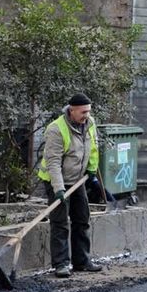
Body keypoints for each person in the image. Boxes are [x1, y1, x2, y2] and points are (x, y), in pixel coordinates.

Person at [37, 93, 103, 278]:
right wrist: (58, 189)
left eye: (89, 111)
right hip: (56, 180)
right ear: (71, 110)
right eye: (83, 112)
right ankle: (61, 264)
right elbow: (53, 162)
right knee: (60, 222)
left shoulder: (89, 123)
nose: (87, 115)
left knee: (82, 219)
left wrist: (91, 169)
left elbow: (94, 148)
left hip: (77, 179)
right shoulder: (56, 129)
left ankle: (82, 261)